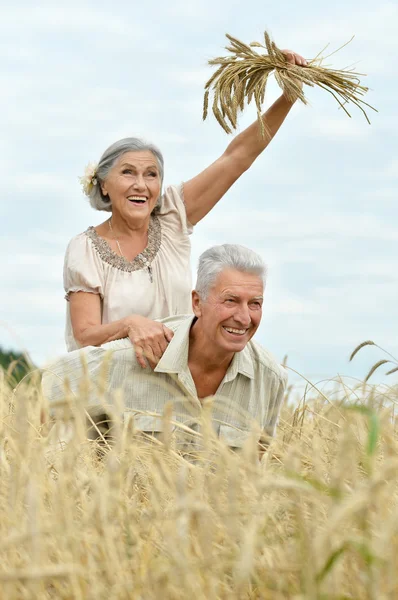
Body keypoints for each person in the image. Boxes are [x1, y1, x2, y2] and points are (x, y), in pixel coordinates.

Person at [65, 50, 307, 366]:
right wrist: (130, 324)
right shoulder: (84, 248)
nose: (141, 185)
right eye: (128, 172)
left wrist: (288, 96)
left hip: (176, 384)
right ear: (103, 185)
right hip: (108, 387)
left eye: (151, 175)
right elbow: (85, 335)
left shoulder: (172, 217)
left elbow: (236, 158)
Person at [44, 244, 287, 456]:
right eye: (230, 301)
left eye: (255, 303)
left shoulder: (269, 379)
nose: (244, 318)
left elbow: (254, 468)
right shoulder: (124, 360)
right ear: (197, 303)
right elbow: (38, 398)